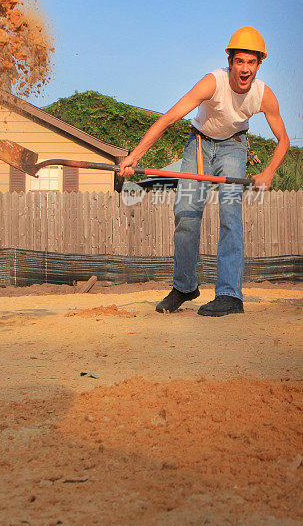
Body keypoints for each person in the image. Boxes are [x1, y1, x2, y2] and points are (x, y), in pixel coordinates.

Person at [118, 27, 290, 316]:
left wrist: (269, 172)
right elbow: (171, 116)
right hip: (198, 144)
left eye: (251, 62)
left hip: (235, 146)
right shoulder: (213, 82)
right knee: (186, 214)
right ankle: (185, 287)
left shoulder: (264, 96)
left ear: (259, 64)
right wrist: (135, 155)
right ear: (231, 62)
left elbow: (284, 139)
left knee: (230, 216)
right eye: (239, 61)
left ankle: (229, 296)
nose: (245, 69)